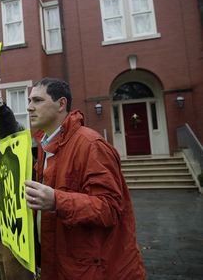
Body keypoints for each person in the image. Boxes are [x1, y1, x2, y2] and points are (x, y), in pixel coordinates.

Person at [24, 78, 145, 279]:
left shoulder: (91, 145)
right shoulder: (45, 147)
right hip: (60, 264)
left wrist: (56, 200)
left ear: (61, 104)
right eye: (29, 101)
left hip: (94, 269)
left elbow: (110, 208)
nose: (29, 108)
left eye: (37, 101)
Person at [0, 73, 33, 280]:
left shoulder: (17, 153)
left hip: (15, 229)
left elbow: (8, 128)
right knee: (4, 271)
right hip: (0, 228)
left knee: (15, 274)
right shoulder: (0, 156)